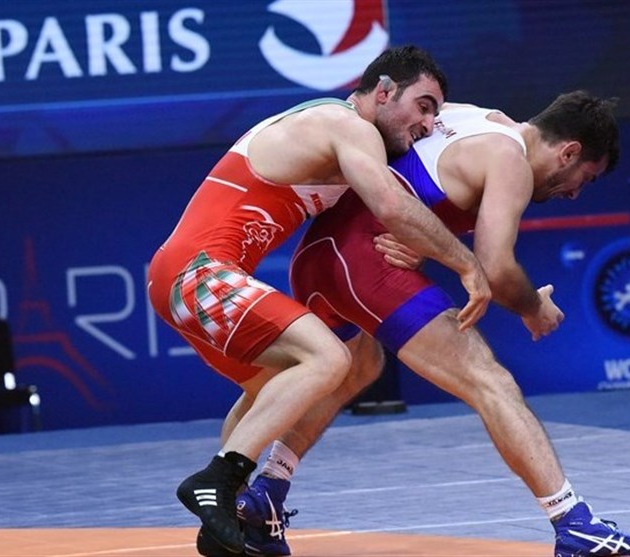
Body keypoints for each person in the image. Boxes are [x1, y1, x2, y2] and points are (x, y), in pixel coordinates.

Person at [203, 91, 630, 557]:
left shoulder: (471, 115)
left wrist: (418, 238)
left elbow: (402, 168)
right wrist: (532, 308)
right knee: (489, 381)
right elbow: (496, 268)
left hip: (317, 255)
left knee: (357, 367)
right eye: (585, 177)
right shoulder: (511, 160)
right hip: (363, 260)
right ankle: (574, 524)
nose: (576, 193)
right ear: (569, 151)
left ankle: (267, 494)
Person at [147, 45, 492, 554]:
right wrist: (467, 264)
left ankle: (228, 524)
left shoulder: (337, 137)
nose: (426, 124)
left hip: (181, 276)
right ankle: (217, 480)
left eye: (434, 114)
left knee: (272, 391)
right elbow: (392, 205)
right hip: (198, 272)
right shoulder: (346, 126)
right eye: (422, 106)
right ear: (383, 91)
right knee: (329, 357)